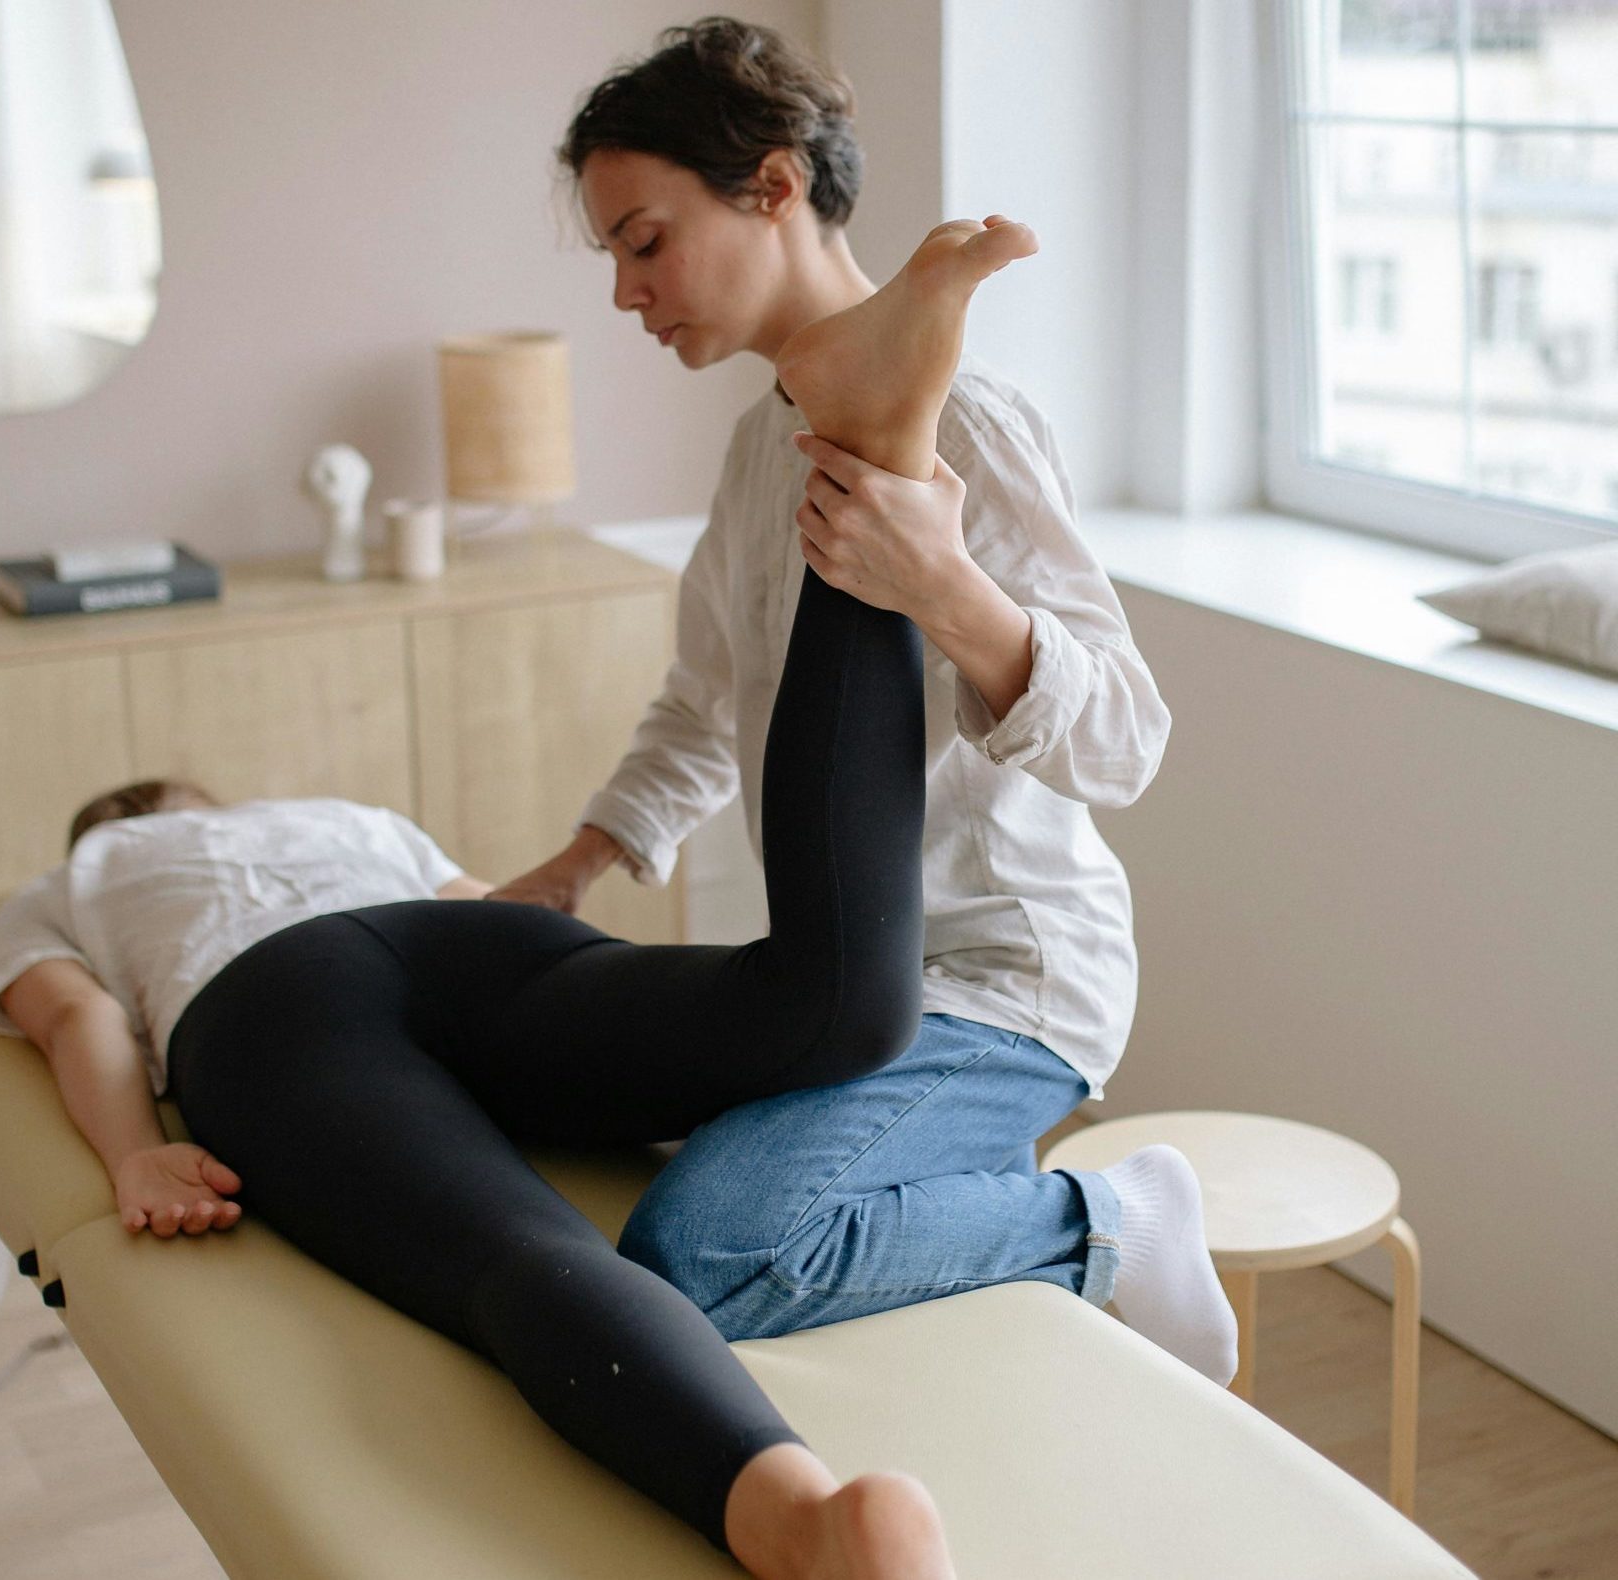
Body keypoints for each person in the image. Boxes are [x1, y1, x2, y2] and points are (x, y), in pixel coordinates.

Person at [0, 207, 1040, 1567]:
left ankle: (805, 1518)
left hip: (271, 1011)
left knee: (518, 1257)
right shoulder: (339, 823)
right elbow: (494, 911)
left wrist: (135, 1156)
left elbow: (80, 1023)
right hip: (442, 950)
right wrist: (610, 1021)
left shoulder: (84, 874)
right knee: (816, 998)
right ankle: (884, 446)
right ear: (201, 803)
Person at [488, 17, 1239, 1388]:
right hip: (834, 989)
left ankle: (1115, 1222)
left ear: (773, 187)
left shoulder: (970, 424)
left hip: (1006, 985)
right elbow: (706, 698)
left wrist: (947, 586)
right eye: (611, 259)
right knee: (527, 1100)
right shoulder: (750, 455)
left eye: (644, 242)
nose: (625, 296)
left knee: (700, 1256)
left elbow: (1127, 739)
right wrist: (581, 862)